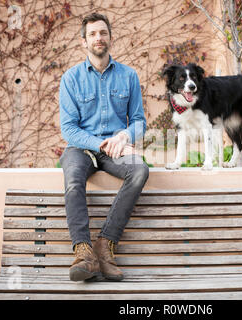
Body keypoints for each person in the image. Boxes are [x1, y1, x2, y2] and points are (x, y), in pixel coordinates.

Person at [59, 13, 149, 282]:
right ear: (83, 42)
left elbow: (138, 121)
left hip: (116, 149)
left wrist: (123, 137)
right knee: (74, 180)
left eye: (103, 33)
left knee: (140, 170)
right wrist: (101, 143)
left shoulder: (128, 76)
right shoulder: (71, 79)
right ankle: (84, 252)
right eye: (92, 34)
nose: (98, 38)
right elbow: (69, 129)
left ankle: (105, 244)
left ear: (110, 37)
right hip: (81, 147)